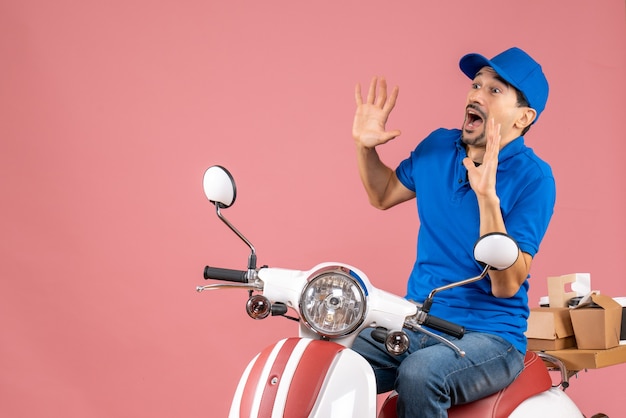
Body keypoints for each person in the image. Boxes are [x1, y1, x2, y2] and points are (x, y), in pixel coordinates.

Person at [350, 47, 555, 417]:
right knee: (337, 358)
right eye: (477, 85)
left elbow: (506, 284)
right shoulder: (438, 148)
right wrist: (364, 149)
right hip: (416, 322)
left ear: (523, 117)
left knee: (420, 374)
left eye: (495, 90)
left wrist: (487, 197)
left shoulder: (534, 178)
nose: (476, 94)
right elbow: (382, 195)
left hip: (491, 337)